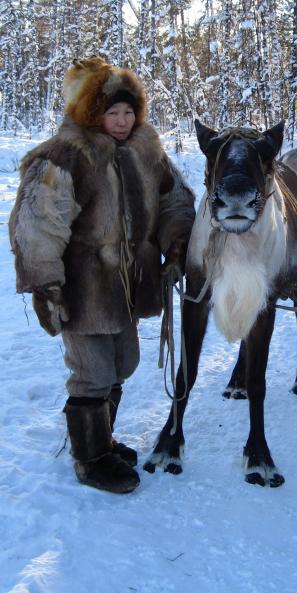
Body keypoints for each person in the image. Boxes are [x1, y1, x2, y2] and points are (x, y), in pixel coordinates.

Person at [9, 56, 196, 494]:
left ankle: (102, 438)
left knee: (123, 363)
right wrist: (47, 283)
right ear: (92, 112)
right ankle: (90, 459)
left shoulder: (146, 151)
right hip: (83, 286)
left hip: (129, 286)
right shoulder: (65, 156)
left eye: (128, 111)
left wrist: (176, 241)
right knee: (91, 372)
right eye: (112, 112)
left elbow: (175, 201)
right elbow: (37, 224)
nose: (122, 120)